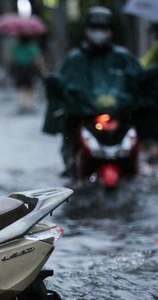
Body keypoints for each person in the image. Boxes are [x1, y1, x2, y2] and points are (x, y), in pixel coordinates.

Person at [43, 6, 143, 176]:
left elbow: (139, 83)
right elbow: (65, 87)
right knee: (71, 154)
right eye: (95, 28)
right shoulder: (76, 59)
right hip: (83, 118)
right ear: (87, 31)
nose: (99, 33)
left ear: (110, 31)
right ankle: (72, 166)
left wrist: (120, 100)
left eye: (103, 29)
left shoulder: (122, 57)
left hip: (119, 119)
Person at [10, 35, 46, 113]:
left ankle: (22, 106)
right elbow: (38, 59)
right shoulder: (32, 46)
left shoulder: (17, 47)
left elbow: (13, 59)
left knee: (22, 89)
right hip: (30, 70)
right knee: (31, 88)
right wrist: (43, 70)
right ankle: (30, 106)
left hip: (19, 70)